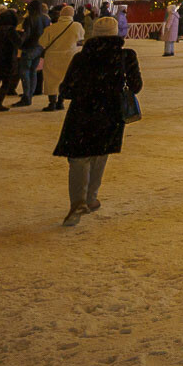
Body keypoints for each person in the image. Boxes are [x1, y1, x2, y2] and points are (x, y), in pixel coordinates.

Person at [52, 14, 141, 226]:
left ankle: (78, 201)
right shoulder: (126, 56)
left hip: (82, 112)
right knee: (101, 154)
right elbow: (136, 86)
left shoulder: (81, 58)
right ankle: (91, 198)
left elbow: (66, 90)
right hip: (111, 112)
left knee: (79, 157)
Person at [38, 5, 83, 112]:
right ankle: (60, 102)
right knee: (64, 79)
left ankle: (52, 103)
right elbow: (81, 37)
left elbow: (42, 42)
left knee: (51, 80)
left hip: (52, 56)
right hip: (69, 56)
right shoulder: (77, 26)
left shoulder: (51, 28)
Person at [16, 1, 48, 107]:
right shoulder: (45, 19)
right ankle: (30, 95)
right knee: (33, 71)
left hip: (29, 47)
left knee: (24, 71)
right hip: (40, 47)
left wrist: (19, 42)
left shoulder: (29, 19)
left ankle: (26, 96)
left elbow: (27, 34)